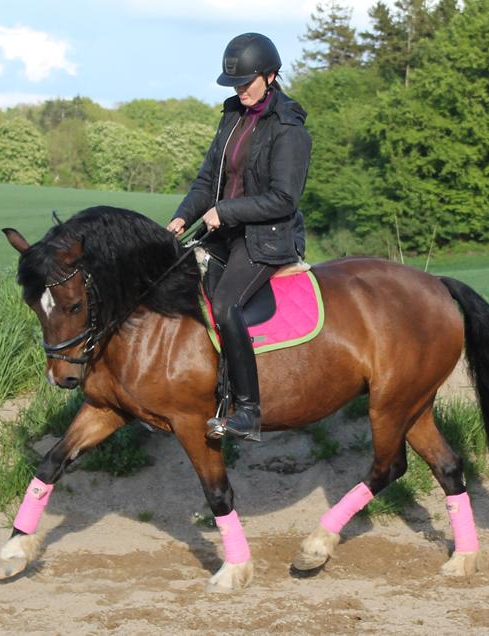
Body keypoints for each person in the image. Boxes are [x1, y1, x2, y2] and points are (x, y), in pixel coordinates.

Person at [167, 32, 312, 441]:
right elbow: (208, 179)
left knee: (226, 303)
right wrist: (182, 217)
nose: (239, 90)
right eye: (234, 84)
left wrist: (225, 211)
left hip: (268, 240)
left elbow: (284, 199)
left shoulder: (289, 129)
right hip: (225, 233)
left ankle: (247, 410)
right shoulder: (232, 114)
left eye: (246, 82)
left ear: (270, 76)